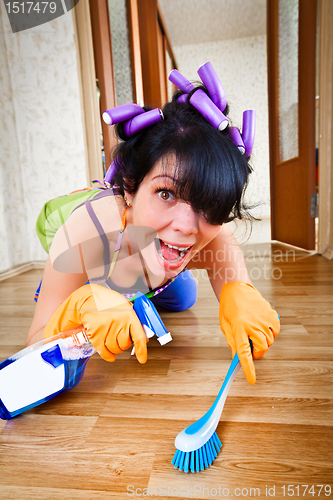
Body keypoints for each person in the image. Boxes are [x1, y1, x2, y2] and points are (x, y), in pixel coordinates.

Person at [26, 65, 279, 385]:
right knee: (96, 290)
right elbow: (34, 343)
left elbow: (247, 318)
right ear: (130, 186)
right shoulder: (84, 233)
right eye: (166, 193)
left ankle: (127, 286)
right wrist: (77, 305)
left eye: (209, 203)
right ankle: (73, 285)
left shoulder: (213, 234)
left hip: (139, 252)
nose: (188, 226)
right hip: (87, 235)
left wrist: (242, 297)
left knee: (184, 296)